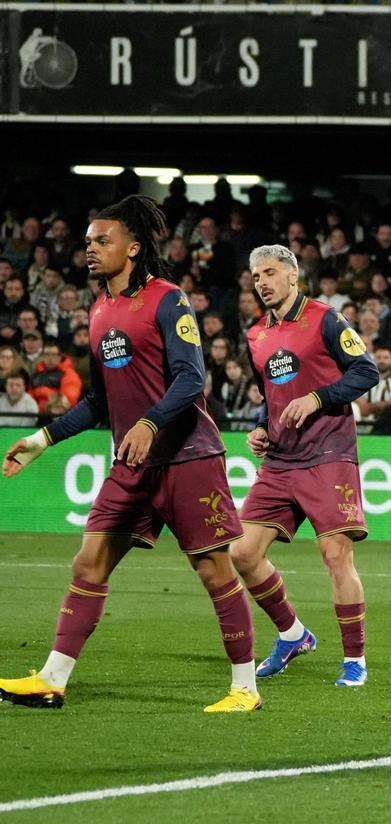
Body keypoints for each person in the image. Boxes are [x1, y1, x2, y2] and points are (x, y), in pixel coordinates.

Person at [0, 195, 257, 713]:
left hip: (188, 456)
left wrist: (147, 422)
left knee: (213, 570)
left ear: (134, 247)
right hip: (133, 462)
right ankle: (52, 678)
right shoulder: (99, 310)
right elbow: (97, 399)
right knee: (88, 562)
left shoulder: (168, 299)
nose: (90, 249)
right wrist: (42, 439)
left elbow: (191, 378)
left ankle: (246, 688)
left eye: (103, 240)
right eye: (89, 241)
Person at [231, 245, 380, 688]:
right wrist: (262, 427)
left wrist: (317, 398)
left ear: (294, 276)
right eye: (256, 275)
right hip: (280, 460)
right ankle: (293, 634)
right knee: (241, 552)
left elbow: (365, 372)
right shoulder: (256, 335)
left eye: (271, 272)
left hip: (329, 454)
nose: (262, 282)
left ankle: (355, 660)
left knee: (336, 554)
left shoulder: (326, 318)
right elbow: (271, 395)